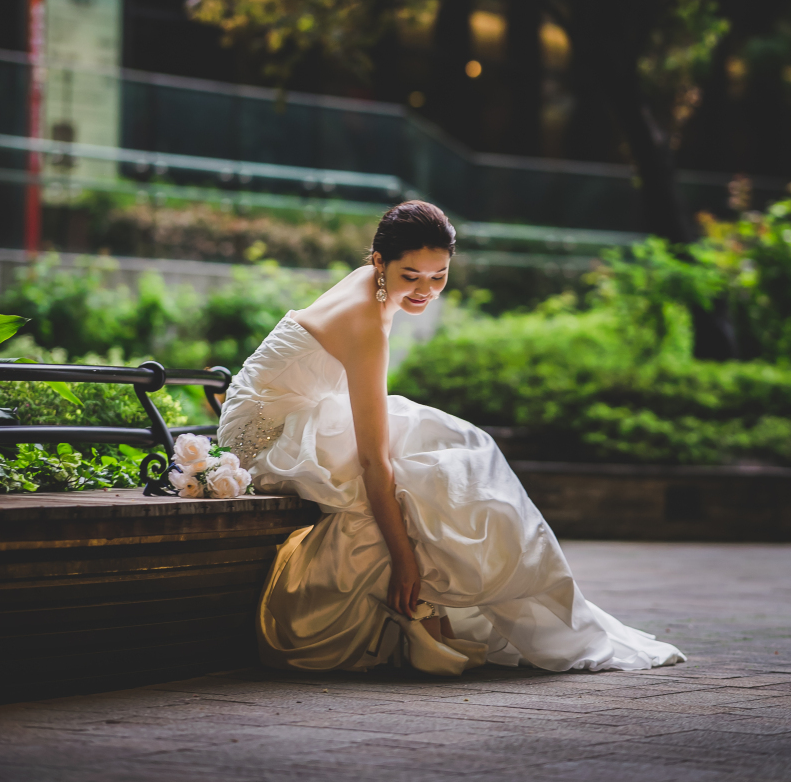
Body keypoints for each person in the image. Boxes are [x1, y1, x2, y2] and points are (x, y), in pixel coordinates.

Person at [218, 200, 685, 676]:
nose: (425, 290)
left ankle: (507, 601)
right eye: (411, 275)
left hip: (294, 414)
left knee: (454, 450)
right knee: (436, 464)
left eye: (438, 276)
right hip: (269, 437)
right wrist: (404, 562)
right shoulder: (365, 319)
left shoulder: (371, 283)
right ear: (379, 260)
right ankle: (472, 601)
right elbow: (373, 463)